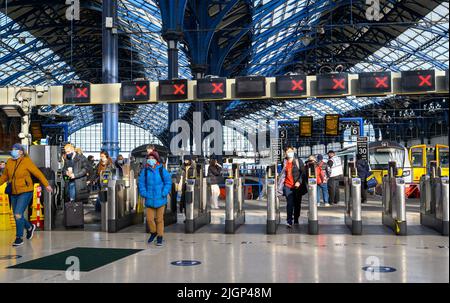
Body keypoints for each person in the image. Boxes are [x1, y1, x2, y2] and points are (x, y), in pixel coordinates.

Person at [0, 143, 52, 247]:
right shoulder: (9, 162)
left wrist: (46, 185)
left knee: (18, 214)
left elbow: (38, 173)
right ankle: (29, 227)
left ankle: (19, 238)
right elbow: (5, 176)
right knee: (16, 215)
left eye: (15, 149)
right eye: (12, 149)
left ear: (20, 152)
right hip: (13, 192)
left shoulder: (26, 161)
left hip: (25, 191)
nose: (12, 151)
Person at [138, 151, 172, 246]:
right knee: (149, 219)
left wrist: (164, 192)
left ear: (156, 160)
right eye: (149, 158)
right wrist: (144, 193)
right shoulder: (145, 171)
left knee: (159, 219)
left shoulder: (162, 170)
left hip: (160, 199)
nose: (150, 160)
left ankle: (160, 237)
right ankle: (153, 232)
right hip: (149, 199)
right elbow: (141, 183)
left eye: (152, 158)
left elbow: (168, 182)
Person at [277, 146, 303, 228]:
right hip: (287, 185)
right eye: (288, 151)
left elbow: (303, 173)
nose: (290, 152)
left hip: (297, 186)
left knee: (297, 204)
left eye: (291, 151)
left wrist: (299, 181)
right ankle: (289, 220)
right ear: (285, 153)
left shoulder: (299, 161)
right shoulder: (284, 161)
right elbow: (283, 173)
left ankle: (296, 218)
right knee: (290, 203)